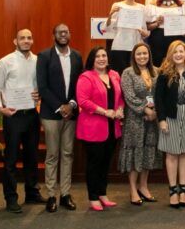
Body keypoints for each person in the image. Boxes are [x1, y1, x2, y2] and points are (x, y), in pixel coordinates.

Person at [0, 29, 41, 213]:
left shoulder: (38, 61)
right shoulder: (5, 62)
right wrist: (0, 108)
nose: (26, 41)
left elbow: (41, 85)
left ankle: (32, 192)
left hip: (32, 114)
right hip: (13, 116)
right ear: (15, 41)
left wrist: (40, 94)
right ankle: (11, 198)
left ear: (32, 40)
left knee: (32, 157)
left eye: (29, 38)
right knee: (11, 159)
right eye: (22, 38)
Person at [36, 24, 82, 212]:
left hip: (71, 114)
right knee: (53, 155)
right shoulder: (44, 56)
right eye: (59, 32)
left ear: (70, 34)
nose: (63, 34)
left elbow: (80, 85)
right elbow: (42, 86)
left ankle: (65, 194)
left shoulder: (77, 56)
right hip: (51, 114)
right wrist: (59, 107)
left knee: (68, 154)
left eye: (66, 31)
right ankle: (51, 195)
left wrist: (71, 105)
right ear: (54, 35)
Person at [155, 40, 185, 209]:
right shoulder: (164, 73)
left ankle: (183, 189)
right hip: (171, 118)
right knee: (172, 154)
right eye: (175, 52)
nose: (178, 54)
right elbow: (158, 98)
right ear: (170, 54)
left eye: (181, 51)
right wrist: (161, 119)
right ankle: (173, 190)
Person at [77, 47, 124, 212]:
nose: (102, 59)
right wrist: (104, 112)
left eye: (104, 55)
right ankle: (93, 197)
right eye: (97, 56)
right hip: (93, 128)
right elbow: (83, 101)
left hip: (112, 127)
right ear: (92, 59)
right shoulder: (86, 77)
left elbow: (120, 97)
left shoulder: (115, 75)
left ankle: (103, 193)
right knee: (94, 164)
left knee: (106, 163)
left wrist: (120, 109)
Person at [119, 42, 162, 206]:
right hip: (134, 119)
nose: (142, 56)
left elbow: (161, 94)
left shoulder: (156, 71)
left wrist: (155, 112)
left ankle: (143, 187)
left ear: (149, 55)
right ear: (134, 56)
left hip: (153, 120)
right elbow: (129, 96)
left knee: (148, 152)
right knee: (135, 152)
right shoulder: (128, 73)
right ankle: (132, 190)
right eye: (139, 54)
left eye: (145, 53)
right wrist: (146, 110)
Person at [106, 0, 151, 74]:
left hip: (136, 47)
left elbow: (145, 32)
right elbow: (108, 28)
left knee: (135, 75)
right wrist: (110, 14)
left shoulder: (142, 8)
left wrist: (143, 33)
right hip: (119, 46)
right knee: (119, 74)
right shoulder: (117, 6)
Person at [148, 0, 185, 66]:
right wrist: (157, 23)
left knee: (177, 66)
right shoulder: (153, 5)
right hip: (158, 42)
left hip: (177, 40)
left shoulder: (182, 6)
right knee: (159, 66)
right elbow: (147, 27)